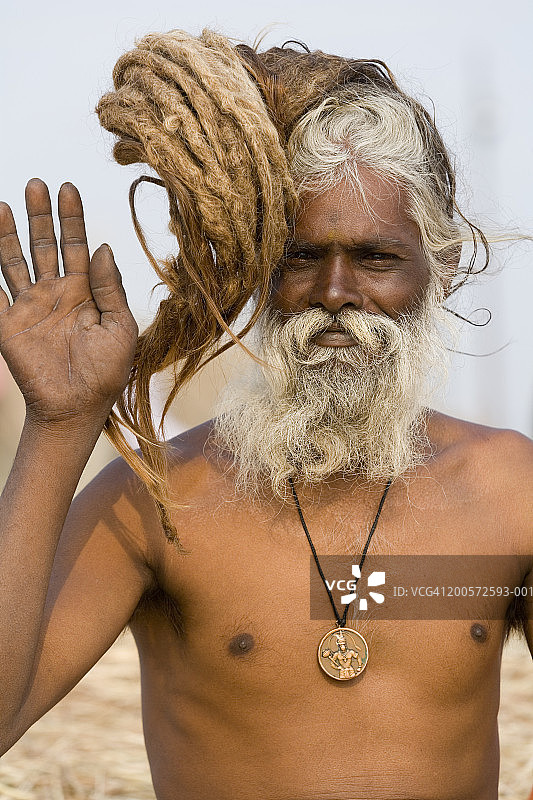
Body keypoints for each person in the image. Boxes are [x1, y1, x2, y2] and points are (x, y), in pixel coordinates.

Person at [0, 28, 531, 800]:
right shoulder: (159, 501)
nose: (335, 292)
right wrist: (60, 423)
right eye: (299, 258)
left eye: (376, 257)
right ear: (256, 270)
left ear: (439, 263)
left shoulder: (509, 489)